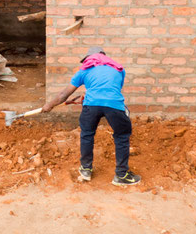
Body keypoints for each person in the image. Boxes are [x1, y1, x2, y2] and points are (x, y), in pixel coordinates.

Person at [41, 46, 140, 186]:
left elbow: (63, 94)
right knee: (122, 136)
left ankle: (86, 169)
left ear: (89, 59)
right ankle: (121, 175)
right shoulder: (118, 69)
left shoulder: (84, 70)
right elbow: (112, 89)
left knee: (87, 134)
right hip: (114, 105)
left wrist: (49, 105)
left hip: (91, 105)